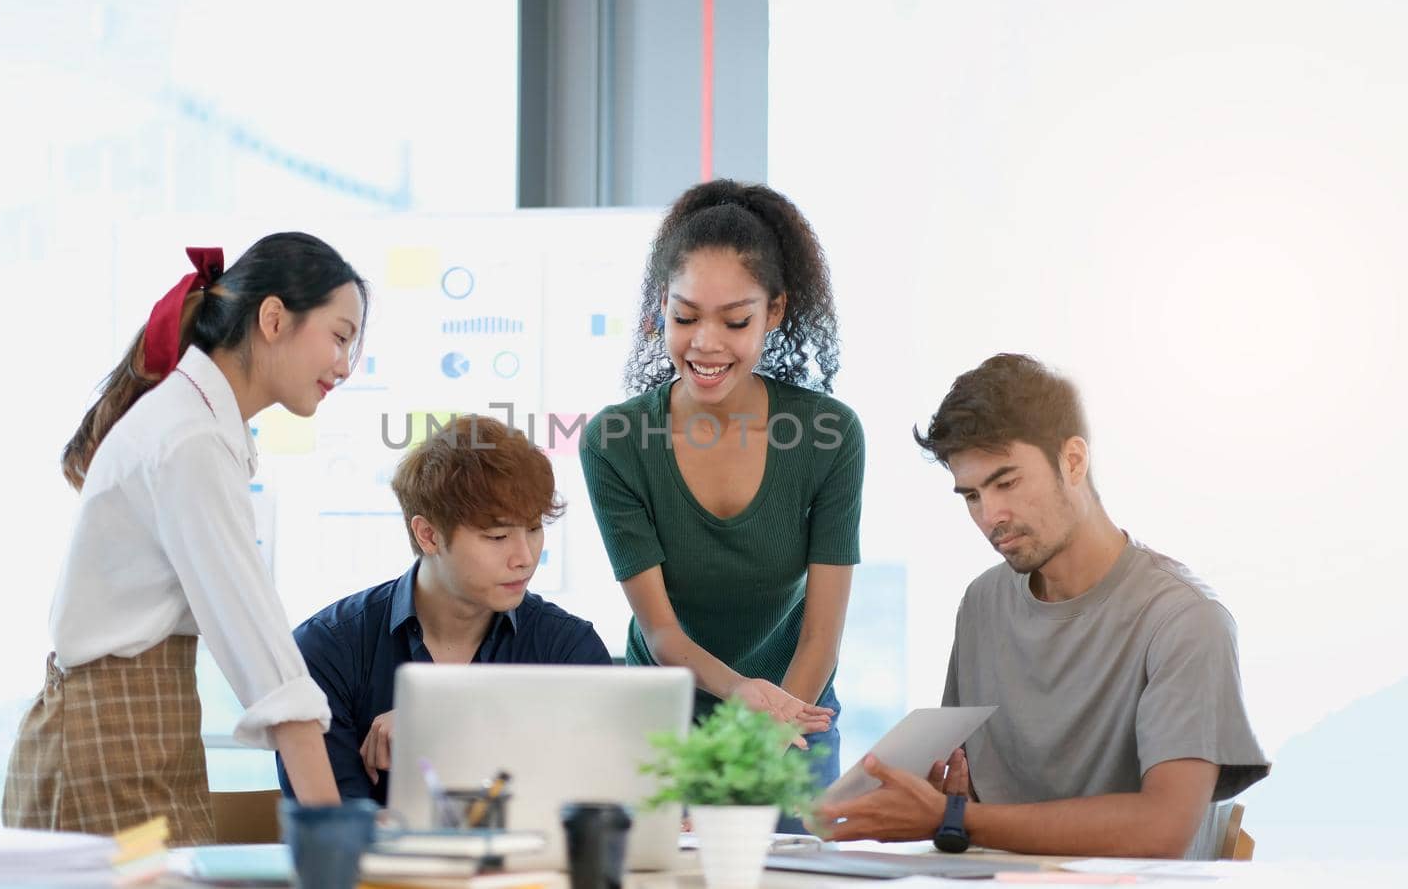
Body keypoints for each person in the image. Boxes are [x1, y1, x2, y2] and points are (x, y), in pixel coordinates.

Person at [819, 353, 1269, 858]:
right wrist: (940, 800)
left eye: (1006, 482)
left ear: (1073, 461)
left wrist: (955, 818)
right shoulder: (982, 603)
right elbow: (967, 797)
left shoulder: (1185, 619)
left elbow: (1162, 830)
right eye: (971, 496)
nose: (991, 516)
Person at [3, 233, 367, 844]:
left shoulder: (194, 424)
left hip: (131, 736)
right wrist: (335, 835)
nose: (345, 366)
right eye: (338, 336)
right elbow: (262, 651)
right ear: (274, 318)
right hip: (109, 746)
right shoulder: (190, 440)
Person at [579, 179, 864, 807]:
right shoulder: (616, 440)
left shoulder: (829, 434)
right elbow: (662, 634)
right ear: (661, 309)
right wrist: (739, 699)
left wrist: (772, 729)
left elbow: (820, 636)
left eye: (735, 321)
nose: (705, 344)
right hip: (666, 713)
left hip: (797, 704)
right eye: (685, 318)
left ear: (775, 312)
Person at [280, 414, 613, 804]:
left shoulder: (568, 647)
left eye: (535, 529)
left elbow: (600, 802)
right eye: (498, 536)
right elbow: (335, 830)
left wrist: (445, 726)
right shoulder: (328, 648)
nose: (525, 557)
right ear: (429, 534)